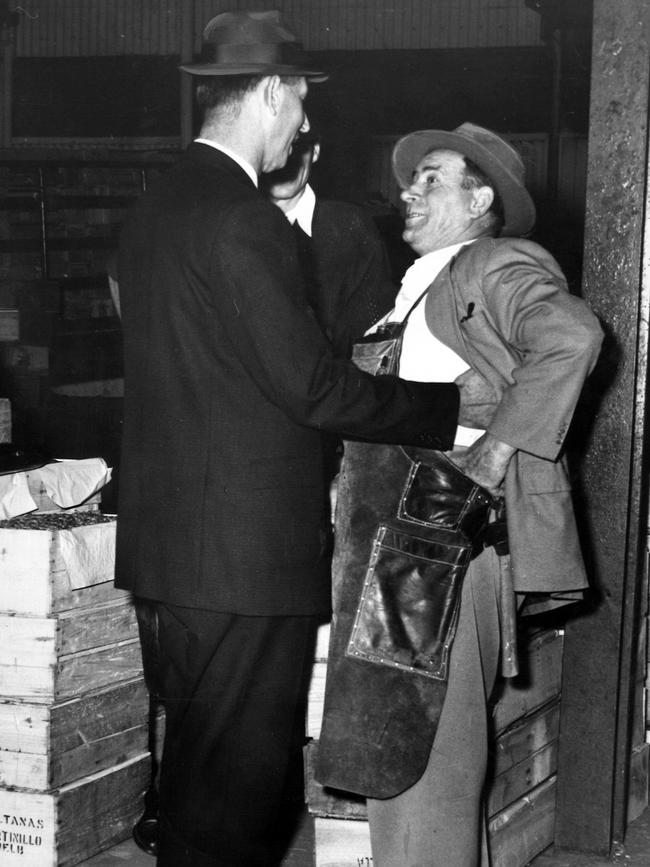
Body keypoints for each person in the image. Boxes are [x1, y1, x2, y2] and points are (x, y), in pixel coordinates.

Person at [114, 9, 492, 865]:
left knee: (197, 777)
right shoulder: (245, 219)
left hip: (172, 547)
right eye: (300, 103)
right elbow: (309, 386)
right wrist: (443, 406)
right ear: (275, 92)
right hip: (244, 556)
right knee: (241, 795)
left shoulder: (159, 208)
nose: (305, 124)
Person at [315, 122, 604, 867]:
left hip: (438, 551)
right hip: (393, 548)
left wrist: (498, 447)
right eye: (410, 180)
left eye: (432, 178)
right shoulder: (419, 285)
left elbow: (572, 333)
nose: (409, 190)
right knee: (397, 758)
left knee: (423, 765)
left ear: (481, 198)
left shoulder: (491, 262)